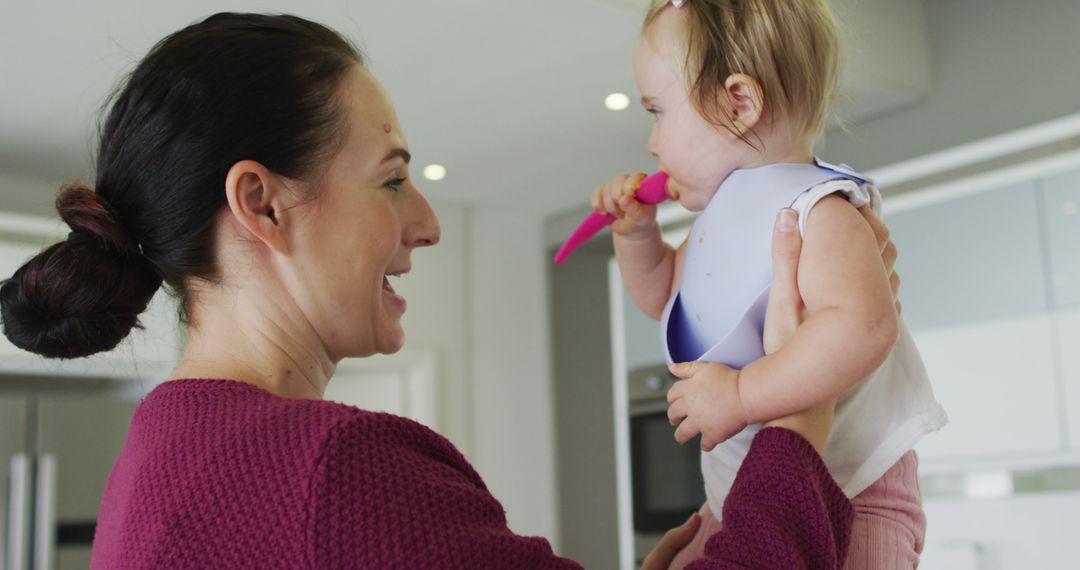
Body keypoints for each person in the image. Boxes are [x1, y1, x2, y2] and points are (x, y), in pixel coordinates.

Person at [0, 12, 895, 569]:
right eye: (392, 179)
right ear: (260, 205)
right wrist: (797, 422)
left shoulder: (157, 457)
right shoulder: (328, 472)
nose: (426, 223)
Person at [590, 0, 947, 568]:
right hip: (744, 497)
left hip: (855, 489)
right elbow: (670, 301)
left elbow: (863, 327)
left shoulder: (818, 212)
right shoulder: (727, 219)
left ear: (739, 103)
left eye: (658, 111)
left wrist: (741, 395)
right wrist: (637, 239)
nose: (652, 143)